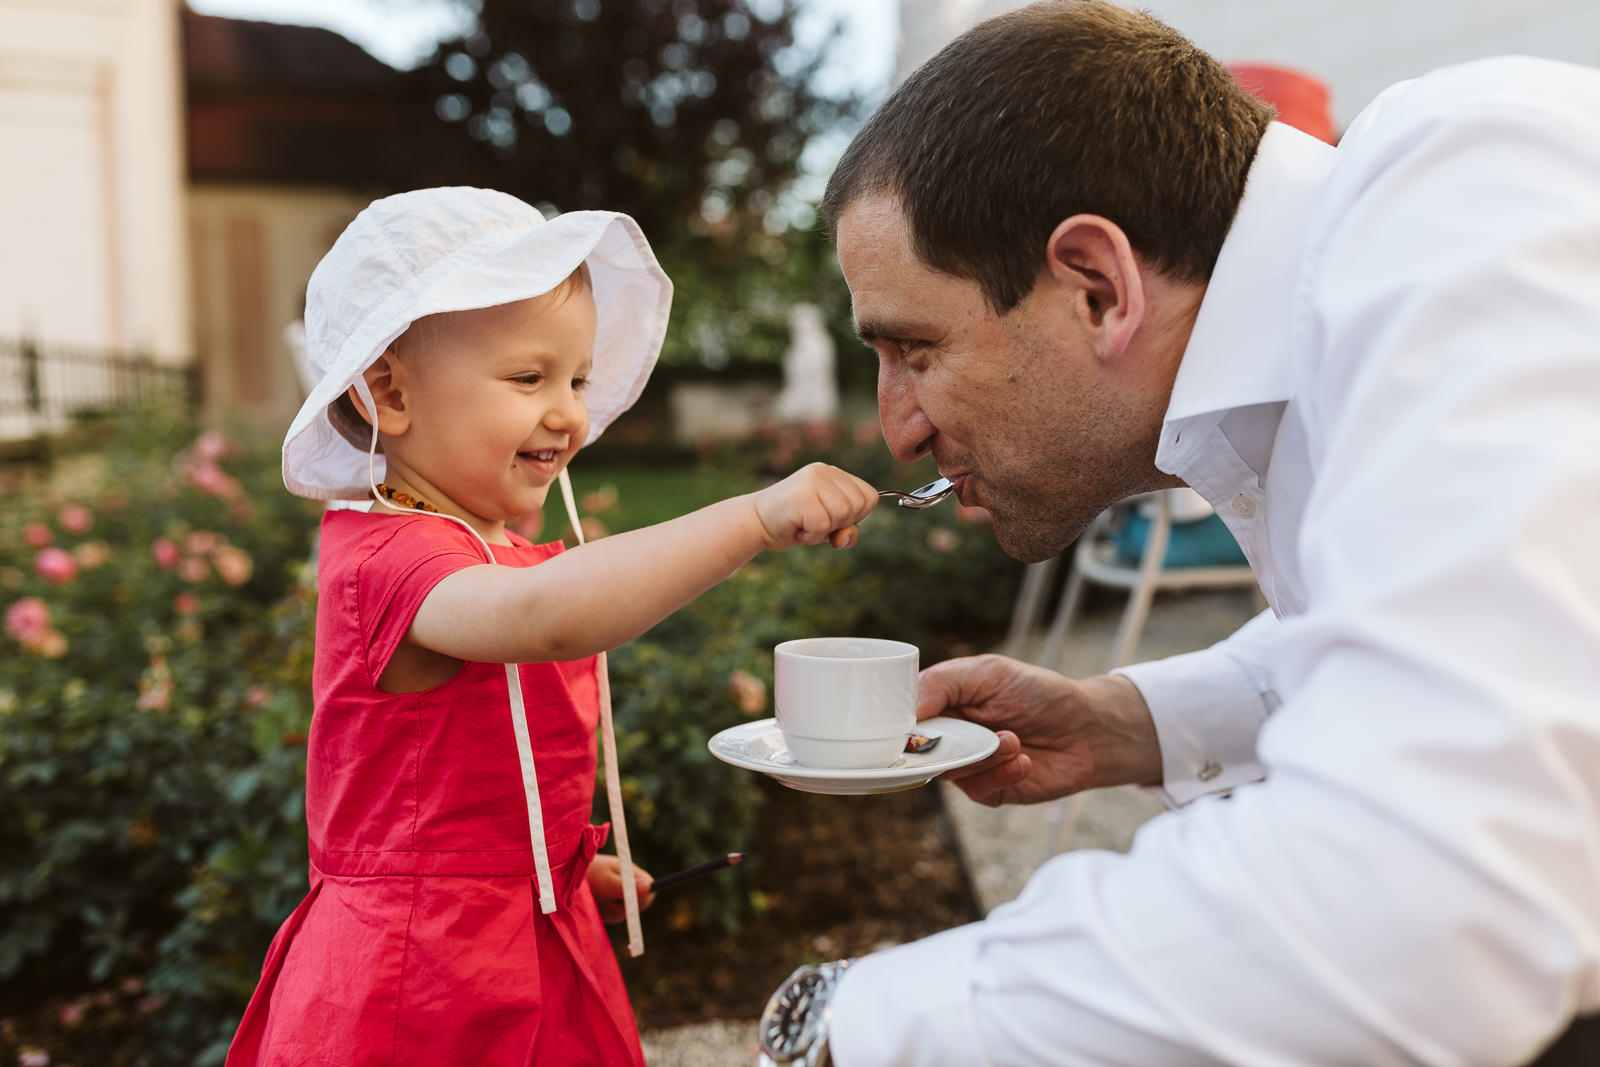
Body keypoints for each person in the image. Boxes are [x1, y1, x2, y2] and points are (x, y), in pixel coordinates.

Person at [754, 2, 1600, 1064]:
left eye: (914, 348)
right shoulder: (1376, 275)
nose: (896, 428)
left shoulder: (1470, 194)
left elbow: (1426, 898)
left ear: (1097, 287)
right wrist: (1128, 720)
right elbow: (1472, 631)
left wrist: (855, 1023)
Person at [224, 187, 879, 1067]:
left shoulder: (489, 549)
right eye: (528, 378)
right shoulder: (389, 561)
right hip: (420, 984)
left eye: (575, 377)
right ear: (390, 390)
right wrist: (754, 517)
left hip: (520, 934)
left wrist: (545, 866)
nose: (570, 410)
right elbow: (547, 617)